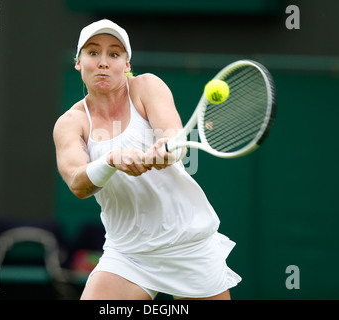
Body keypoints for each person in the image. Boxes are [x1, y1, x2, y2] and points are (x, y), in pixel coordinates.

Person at [53, 19, 241, 300]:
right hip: (128, 253)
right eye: (93, 53)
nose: (103, 62)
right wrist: (111, 161)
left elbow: (175, 142)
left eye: (114, 54)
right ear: (79, 62)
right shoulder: (70, 123)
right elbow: (78, 183)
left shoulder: (147, 87)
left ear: (126, 65)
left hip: (187, 244)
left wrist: (165, 151)